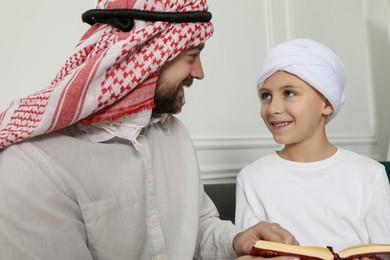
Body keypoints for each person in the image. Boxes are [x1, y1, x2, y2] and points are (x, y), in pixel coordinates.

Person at [0, 0, 299, 259]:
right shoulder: (29, 168)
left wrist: (236, 241)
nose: (199, 72)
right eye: (192, 57)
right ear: (142, 54)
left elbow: (198, 227)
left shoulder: (174, 135)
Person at [235, 38, 390, 252]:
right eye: (266, 96)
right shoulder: (251, 178)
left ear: (327, 103)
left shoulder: (370, 175)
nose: (273, 108)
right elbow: (251, 251)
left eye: (289, 93)